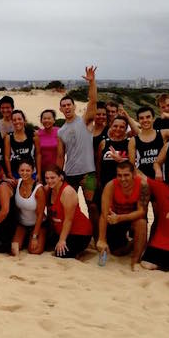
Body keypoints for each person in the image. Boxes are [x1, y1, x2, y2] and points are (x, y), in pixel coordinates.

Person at [56, 66, 98, 235]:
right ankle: (77, 233)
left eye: (69, 105)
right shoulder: (61, 131)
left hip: (89, 173)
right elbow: (60, 156)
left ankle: (96, 235)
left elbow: (93, 102)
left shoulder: (84, 121)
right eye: (63, 106)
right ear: (61, 109)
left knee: (92, 205)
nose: (67, 108)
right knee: (71, 206)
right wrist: (59, 174)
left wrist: (92, 82)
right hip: (70, 174)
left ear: (74, 107)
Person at [96, 161, 150, 270]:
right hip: (115, 219)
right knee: (117, 252)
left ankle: (136, 260)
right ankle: (133, 243)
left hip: (132, 218)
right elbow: (104, 214)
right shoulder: (111, 185)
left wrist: (120, 218)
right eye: (119, 175)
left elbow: (142, 212)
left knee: (142, 222)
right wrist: (101, 239)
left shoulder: (142, 185)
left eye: (126, 175)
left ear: (133, 174)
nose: (122, 179)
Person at [43, 165, 93, 258]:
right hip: (60, 230)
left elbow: (68, 219)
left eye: (52, 178)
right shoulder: (47, 189)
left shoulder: (67, 192)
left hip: (79, 232)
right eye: (47, 178)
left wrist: (62, 240)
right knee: (43, 246)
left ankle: (79, 250)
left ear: (60, 177)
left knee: (61, 253)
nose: (49, 181)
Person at [11, 159, 45, 256]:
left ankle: (37, 236)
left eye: (28, 170)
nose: (24, 173)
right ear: (18, 171)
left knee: (34, 251)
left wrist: (35, 236)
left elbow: (40, 214)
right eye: (22, 170)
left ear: (33, 171)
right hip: (22, 224)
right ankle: (26, 237)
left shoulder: (38, 189)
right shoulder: (17, 183)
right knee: (14, 249)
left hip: (37, 224)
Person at [130, 106, 169, 178]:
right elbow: (132, 166)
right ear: (138, 121)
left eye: (148, 117)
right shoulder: (133, 140)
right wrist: (145, 179)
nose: (145, 120)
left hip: (160, 179)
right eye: (141, 118)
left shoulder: (163, 134)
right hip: (142, 181)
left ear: (153, 119)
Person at [96, 115, 133, 191]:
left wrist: (121, 160)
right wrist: (98, 180)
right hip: (105, 183)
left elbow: (133, 164)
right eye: (115, 126)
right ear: (111, 126)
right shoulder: (104, 143)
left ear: (126, 128)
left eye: (122, 127)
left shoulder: (130, 142)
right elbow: (98, 164)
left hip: (125, 184)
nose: (118, 129)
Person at [4, 109, 40, 180]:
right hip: (15, 173)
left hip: (31, 173)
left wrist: (39, 173)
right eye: (14, 120)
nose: (17, 122)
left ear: (24, 120)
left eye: (19, 119)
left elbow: (38, 154)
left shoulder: (33, 135)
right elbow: (7, 157)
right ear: (12, 122)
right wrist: (10, 173)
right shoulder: (8, 137)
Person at [36, 109, 59, 179]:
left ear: (54, 120)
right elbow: (37, 154)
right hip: (42, 170)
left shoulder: (59, 132)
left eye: (49, 118)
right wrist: (38, 173)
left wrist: (59, 171)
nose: (46, 120)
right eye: (44, 118)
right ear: (41, 120)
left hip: (56, 170)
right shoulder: (37, 134)